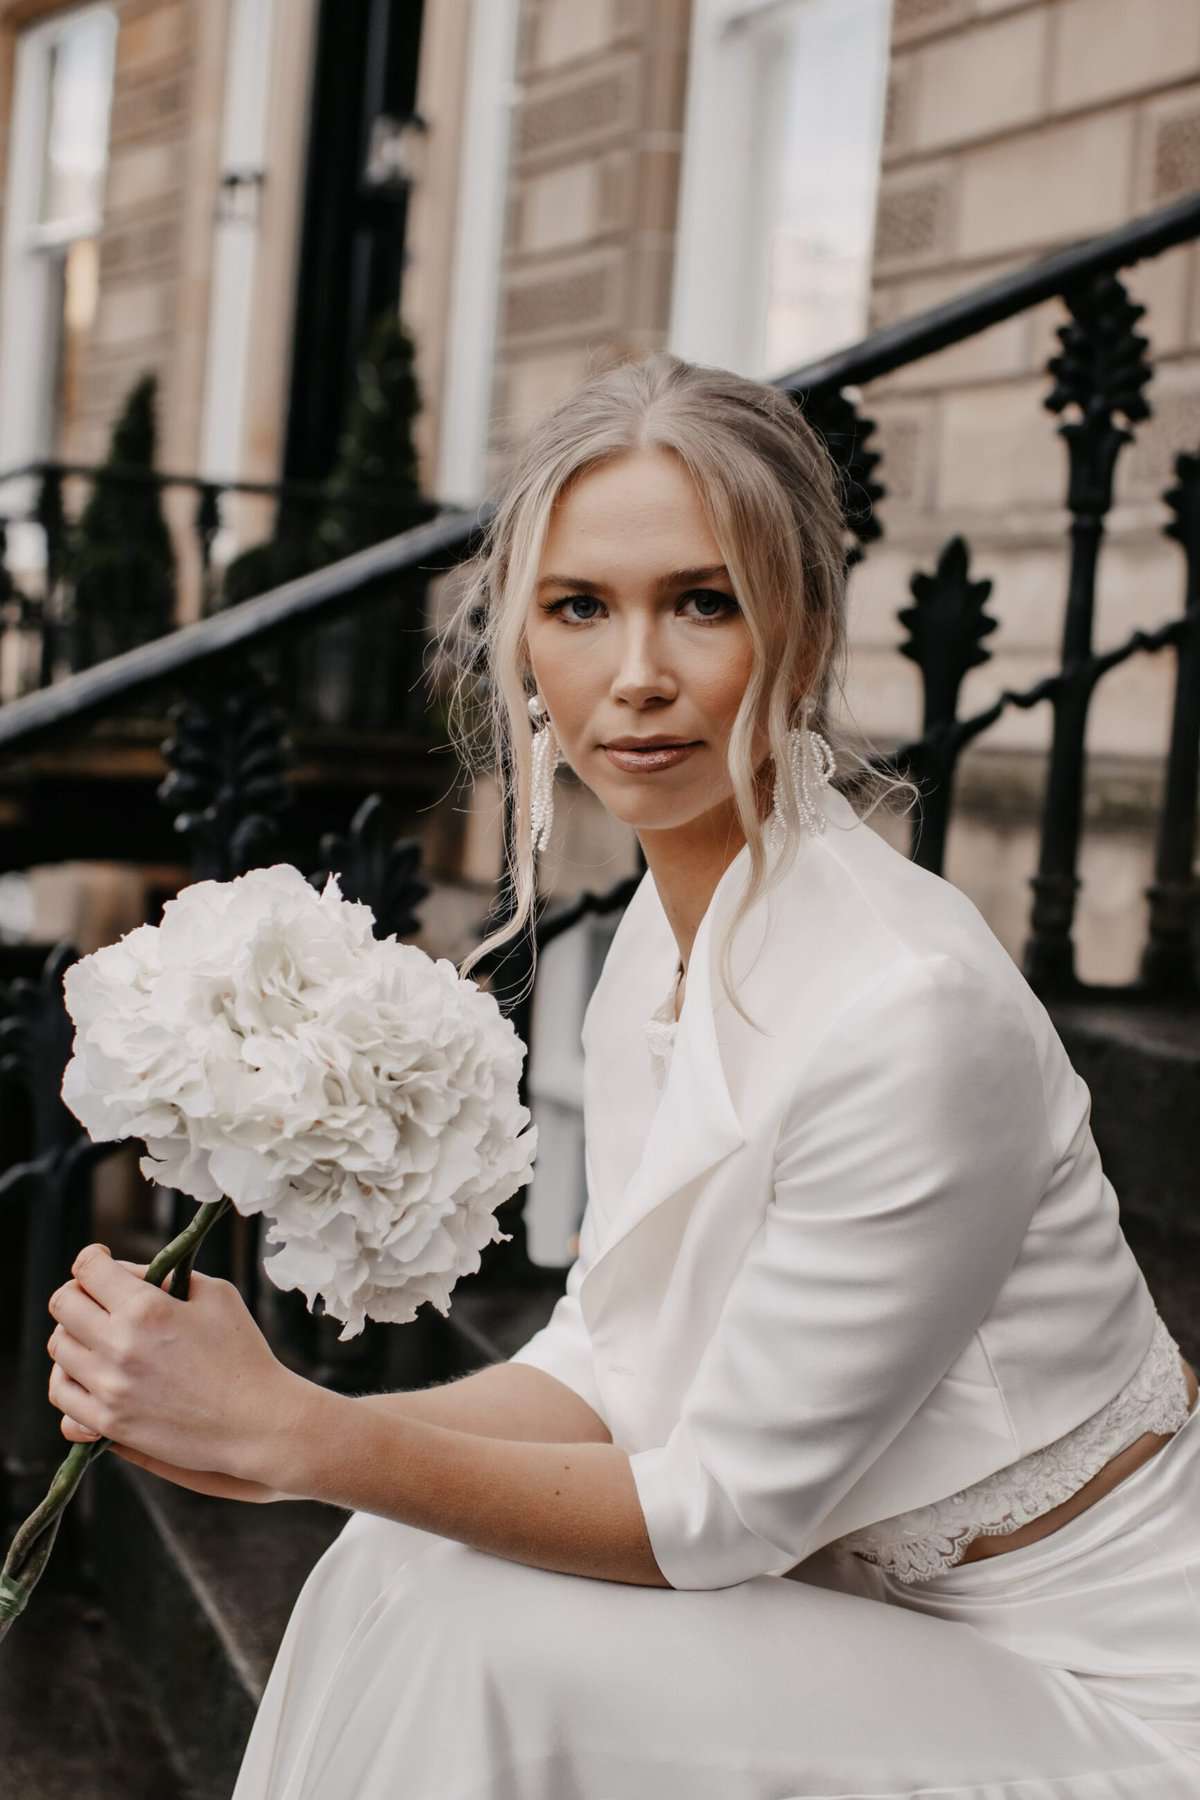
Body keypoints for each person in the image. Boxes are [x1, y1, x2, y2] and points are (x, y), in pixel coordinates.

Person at [50, 354, 1200, 1797]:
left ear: (800, 622)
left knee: (476, 1637)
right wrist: (259, 1424)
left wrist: (306, 1436)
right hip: (866, 1627)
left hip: (1097, 1685)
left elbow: (722, 1510)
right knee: (393, 1559)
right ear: (522, 640)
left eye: (701, 602)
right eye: (580, 607)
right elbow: (612, 1362)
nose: (636, 674)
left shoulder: (910, 1012)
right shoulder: (670, 925)